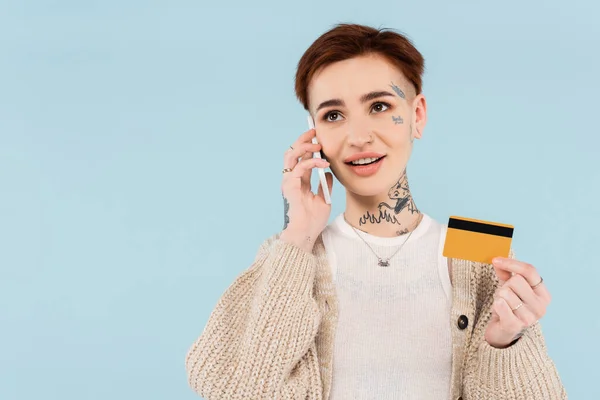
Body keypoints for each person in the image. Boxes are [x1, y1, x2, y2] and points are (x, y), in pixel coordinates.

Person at [184, 23, 567, 400]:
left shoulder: (480, 248)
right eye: (333, 115)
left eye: (380, 106)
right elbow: (241, 391)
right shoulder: (290, 256)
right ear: (313, 134)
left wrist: (503, 343)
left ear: (417, 115)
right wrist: (299, 233)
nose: (359, 136)